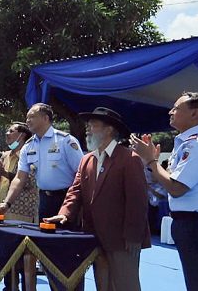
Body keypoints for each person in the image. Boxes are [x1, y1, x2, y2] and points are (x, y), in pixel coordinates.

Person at [44, 108, 150, 291]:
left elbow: (138, 201)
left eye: (93, 125)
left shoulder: (129, 159)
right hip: (94, 236)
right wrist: (64, 214)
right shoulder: (87, 160)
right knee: (103, 285)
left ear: (109, 130)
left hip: (122, 240)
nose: (87, 129)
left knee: (125, 285)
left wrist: (133, 236)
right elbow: (75, 191)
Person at [131, 92, 198, 291]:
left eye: (176, 108)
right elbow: (174, 181)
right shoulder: (190, 142)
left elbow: (176, 188)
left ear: (195, 113)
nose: (171, 112)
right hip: (193, 224)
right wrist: (153, 164)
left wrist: (151, 161)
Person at [0, 103, 82, 222]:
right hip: (43, 200)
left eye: (32, 117)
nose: (28, 121)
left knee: (65, 239)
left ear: (45, 118)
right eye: (27, 117)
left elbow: (81, 173)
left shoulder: (65, 140)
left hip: (66, 199)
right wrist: (7, 203)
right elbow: (20, 178)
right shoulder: (28, 146)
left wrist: (73, 204)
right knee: (44, 238)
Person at [0, 123, 37, 222]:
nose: (7, 134)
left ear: (22, 135)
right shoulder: (5, 156)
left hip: (21, 212)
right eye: (7, 131)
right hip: (2, 209)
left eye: (11, 131)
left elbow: (30, 181)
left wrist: (4, 173)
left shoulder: (30, 155)